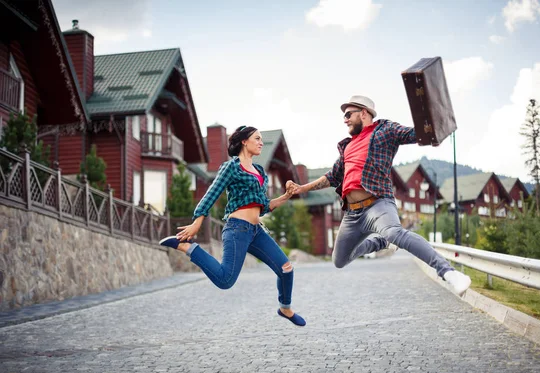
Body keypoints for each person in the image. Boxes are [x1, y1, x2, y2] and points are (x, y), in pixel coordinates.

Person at [288, 95, 471, 295]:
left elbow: (414, 134)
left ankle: (449, 273)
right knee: (339, 260)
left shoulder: (385, 130)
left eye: (349, 114)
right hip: (352, 214)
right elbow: (332, 177)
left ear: (364, 113)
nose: (345, 119)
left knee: (395, 232)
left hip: (378, 205)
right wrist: (302, 188)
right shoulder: (347, 146)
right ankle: (380, 242)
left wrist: (432, 132)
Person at [160, 125, 306, 326]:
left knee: (286, 268)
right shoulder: (232, 168)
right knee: (225, 280)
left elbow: (263, 206)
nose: (261, 142)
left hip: (256, 231)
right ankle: (188, 247)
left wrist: (286, 196)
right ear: (244, 141)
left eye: (262, 139)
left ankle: (285, 308)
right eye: (257, 138)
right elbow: (212, 193)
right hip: (237, 229)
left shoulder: (260, 172)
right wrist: (197, 221)